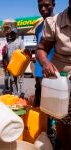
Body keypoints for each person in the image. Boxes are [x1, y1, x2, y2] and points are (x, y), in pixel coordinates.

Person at [37, 1, 71, 149]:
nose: (43, 8)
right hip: (62, 82)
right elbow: (41, 49)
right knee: (64, 123)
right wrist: (45, 63)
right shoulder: (54, 23)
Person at [34, 0, 55, 107]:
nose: (43, 9)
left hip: (54, 73)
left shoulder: (58, 24)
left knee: (53, 107)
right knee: (40, 107)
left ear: (54, 4)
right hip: (39, 73)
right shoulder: (38, 28)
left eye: (46, 5)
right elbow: (39, 48)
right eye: (40, 6)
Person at [1, 19, 25, 97]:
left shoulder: (20, 41)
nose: (11, 35)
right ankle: (15, 93)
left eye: (13, 33)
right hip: (11, 65)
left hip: (19, 65)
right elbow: (7, 54)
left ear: (15, 33)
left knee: (20, 80)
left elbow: (23, 52)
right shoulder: (8, 43)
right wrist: (6, 63)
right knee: (13, 80)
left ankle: (21, 94)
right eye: (10, 34)